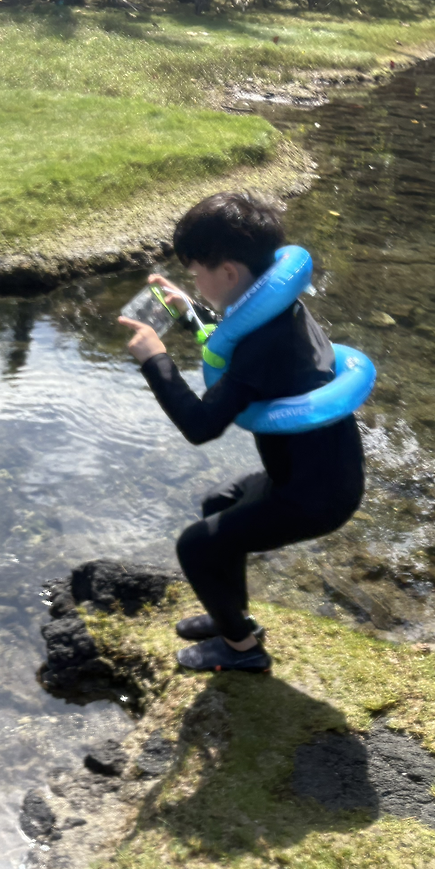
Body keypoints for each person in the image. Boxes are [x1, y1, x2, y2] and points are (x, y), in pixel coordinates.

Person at [117, 193, 365, 673]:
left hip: (315, 497)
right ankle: (232, 617)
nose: (194, 281)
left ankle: (242, 649)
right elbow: (231, 338)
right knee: (217, 505)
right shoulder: (280, 311)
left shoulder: (262, 343)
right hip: (311, 475)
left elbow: (201, 426)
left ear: (228, 273)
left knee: (195, 545)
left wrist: (156, 360)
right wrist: (189, 312)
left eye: (196, 274)